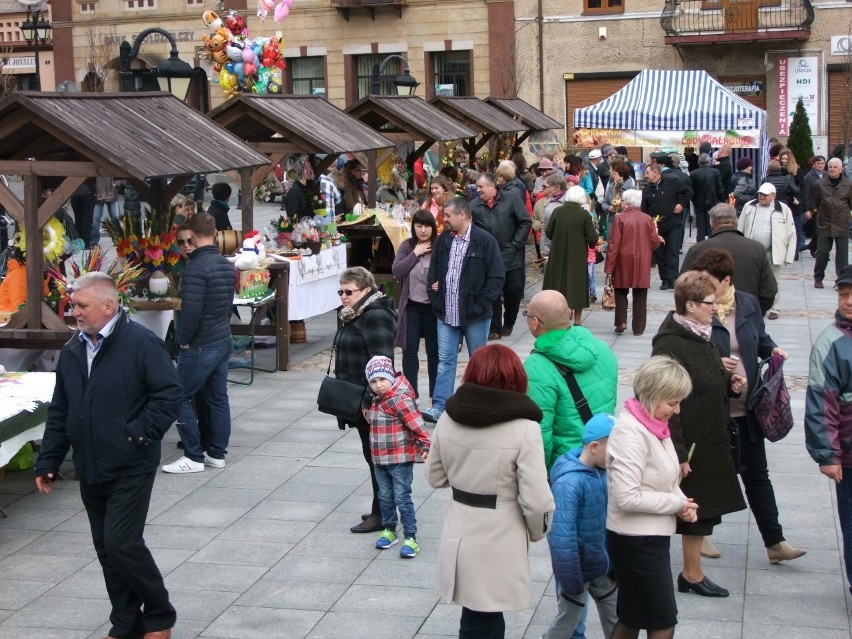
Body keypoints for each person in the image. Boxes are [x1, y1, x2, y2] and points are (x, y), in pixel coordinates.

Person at [34, 272, 181, 639]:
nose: (75, 312)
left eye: (81, 306)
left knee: (122, 543)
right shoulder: (73, 349)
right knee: (106, 550)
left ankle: (159, 616)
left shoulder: (141, 344)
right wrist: (49, 460)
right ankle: (126, 622)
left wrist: (136, 435)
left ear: (108, 306)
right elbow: (60, 409)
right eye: (72, 305)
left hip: (131, 463)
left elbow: (169, 396)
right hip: (90, 465)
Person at [425, 344, 555, 639]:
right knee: (486, 618)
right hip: (500, 532)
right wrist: (538, 531)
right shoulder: (525, 428)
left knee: (476, 617)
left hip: (459, 528)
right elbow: (536, 498)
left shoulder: (448, 418)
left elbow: (434, 476)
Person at [690, 248, 805, 564]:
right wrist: (718, 367)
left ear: (726, 281)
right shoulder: (700, 309)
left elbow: (760, 338)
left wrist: (773, 350)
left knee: (757, 475)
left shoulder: (749, 303)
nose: (703, 286)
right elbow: (689, 354)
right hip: (714, 411)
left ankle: (775, 542)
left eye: (709, 281)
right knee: (710, 474)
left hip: (748, 408)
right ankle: (698, 538)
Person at [651, 271, 747, 598]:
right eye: (709, 303)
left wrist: (729, 384)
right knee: (681, 509)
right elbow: (663, 399)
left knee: (701, 511)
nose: (716, 308)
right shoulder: (670, 343)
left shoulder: (700, 333)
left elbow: (704, 381)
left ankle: (691, 573)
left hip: (707, 437)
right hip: (688, 442)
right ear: (690, 305)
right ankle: (677, 574)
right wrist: (678, 454)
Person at [606, 355, 698, 639]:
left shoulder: (654, 425)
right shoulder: (631, 432)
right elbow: (627, 497)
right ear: (652, 395)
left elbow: (665, 475)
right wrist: (675, 503)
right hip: (635, 541)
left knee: (632, 617)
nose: (677, 409)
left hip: (647, 538)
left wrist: (682, 503)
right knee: (662, 620)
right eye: (672, 402)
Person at [162, 212, 235, 474]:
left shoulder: (194, 269)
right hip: (222, 337)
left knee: (177, 395)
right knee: (219, 398)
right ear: (215, 232)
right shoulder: (226, 264)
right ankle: (216, 452)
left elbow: (191, 313)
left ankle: (193, 455)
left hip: (201, 343)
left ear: (190, 234)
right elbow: (228, 305)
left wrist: (182, 342)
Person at [422, 197, 505, 423]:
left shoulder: (485, 240)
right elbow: (434, 271)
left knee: (478, 361)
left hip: (475, 315)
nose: (444, 219)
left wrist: (481, 303)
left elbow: (497, 277)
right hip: (446, 313)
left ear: (462, 214)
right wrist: (435, 295)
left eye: (447, 215)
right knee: (445, 360)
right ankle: (440, 406)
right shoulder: (444, 240)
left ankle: (476, 404)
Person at [331, 266, 397, 533]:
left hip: (369, 401)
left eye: (349, 292)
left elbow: (382, 363)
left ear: (366, 291)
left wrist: (370, 401)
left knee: (376, 458)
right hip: (357, 397)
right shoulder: (356, 314)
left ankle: (382, 514)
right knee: (373, 457)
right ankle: (381, 508)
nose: (344, 297)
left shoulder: (374, 316)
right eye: (341, 291)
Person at [524, 289, 617, 472]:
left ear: (535, 323)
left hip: (566, 467)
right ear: (569, 314)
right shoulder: (602, 350)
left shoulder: (536, 366)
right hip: (601, 459)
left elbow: (540, 434)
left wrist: (540, 476)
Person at [543, 414, 618, 639]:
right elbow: (561, 536)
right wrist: (570, 577)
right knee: (568, 620)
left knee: (617, 615)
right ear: (594, 447)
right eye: (614, 451)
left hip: (599, 564)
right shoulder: (570, 482)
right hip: (576, 570)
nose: (618, 457)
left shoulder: (601, 472)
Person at [806, 265, 852, 595]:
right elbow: (822, 405)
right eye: (844, 294)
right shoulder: (831, 342)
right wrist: (827, 454)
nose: (848, 301)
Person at [364, 356, 430, 558]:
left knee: (402, 497)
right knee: (384, 496)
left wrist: (426, 444)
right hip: (380, 460)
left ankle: (410, 537)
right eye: (373, 382)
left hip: (399, 460)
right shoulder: (377, 400)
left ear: (391, 378)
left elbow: (417, 424)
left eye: (382, 380)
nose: (379, 385)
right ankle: (390, 529)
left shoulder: (400, 399)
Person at [681, 203, 778, 317]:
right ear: (736, 222)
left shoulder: (697, 249)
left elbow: (683, 288)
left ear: (712, 223)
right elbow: (769, 291)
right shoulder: (757, 249)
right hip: (747, 315)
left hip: (707, 317)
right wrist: (755, 312)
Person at [470, 172, 530, 340]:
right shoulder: (474, 206)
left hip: (511, 255)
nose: (478, 190)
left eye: (481, 187)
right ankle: (494, 328)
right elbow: (470, 230)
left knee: (514, 290)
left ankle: (509, 322)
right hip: (488, 258)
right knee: (492, 294)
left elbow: (525, 221)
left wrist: (517, 244)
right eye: (477, 187)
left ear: (492, 186)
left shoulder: (511, 199)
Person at [392, 209, 439, 399]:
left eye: (427, 225)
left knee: (434, 352)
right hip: (411, 307)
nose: (423, 230)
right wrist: (415, 253)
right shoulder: (407, 246)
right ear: (413, 227)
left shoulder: (439, 246)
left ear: (433, 228)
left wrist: (441, 282)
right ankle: (411, 394)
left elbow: (449, 270)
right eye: (418, 226)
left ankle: (437, 396)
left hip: (433, 309)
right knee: (409, 350)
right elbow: (397, 271)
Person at [604, 189, 662, 336]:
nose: (622, 202)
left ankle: (621, 321)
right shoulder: (647, 219)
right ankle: (638, 328)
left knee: (621, 291)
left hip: (623, 258)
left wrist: (609, 267)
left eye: (623, 200)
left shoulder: (620, 219)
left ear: (627, 202)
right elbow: (655, 241)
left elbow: (613, 244)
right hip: (642, 259)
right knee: (640, 293)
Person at [737, 183, 796, 319]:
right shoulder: (750, 206)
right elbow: (740, 228)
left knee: (774, 281)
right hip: (751, 252)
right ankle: (751, 307)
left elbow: (791, 234)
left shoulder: (783, 209)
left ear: (773, 196)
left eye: (765, 194)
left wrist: (789, 255)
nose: (761, 197)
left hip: (772, 252)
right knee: (750, 280)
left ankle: (775, 308)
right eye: (760, 194)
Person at [543, 185, 598, 325]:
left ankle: (558, 318)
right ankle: (578, 321)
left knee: (557, 284)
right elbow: (592, 238)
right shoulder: (584, 215)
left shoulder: (557, 211)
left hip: (557, 255)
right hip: (577, 256)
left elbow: (548, 232)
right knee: (577, 286)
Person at [642, 163, 690, 290]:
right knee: (660, 253)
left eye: (647, 173)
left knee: (672, 252)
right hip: (657, 227)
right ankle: (665, 279)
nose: (645, 176)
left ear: (656, 173)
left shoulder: (671, 181)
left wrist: (681, 204)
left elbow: (688, 192)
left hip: (673, 223)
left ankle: (673, 279)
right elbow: (644, 210)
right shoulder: (646, 190)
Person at [809, 158, 852, 288]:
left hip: (841, 224)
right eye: (830, 167)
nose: (832, 169)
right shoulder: (819, 184)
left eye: (835, 167)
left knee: (842, 256)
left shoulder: (849, 184)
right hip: (824, 224)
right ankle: (818, 277)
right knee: (822, 252)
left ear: (841, 169)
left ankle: (842, 280)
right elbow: (814, 202)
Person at [690, 153, 726, 242]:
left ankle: (700, 247)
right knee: (712, 226)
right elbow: (720, 188)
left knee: (700, 228)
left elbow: (691, 190)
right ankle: (712, 246)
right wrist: (722, 200)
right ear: (708, 162)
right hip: (713, 203)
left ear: (699, 162)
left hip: (699, 204)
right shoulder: (715, 172)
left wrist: (694, 201)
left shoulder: (694, 173)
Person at [601, 161, 635, 241]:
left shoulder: (631, 188)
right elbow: (604, 202)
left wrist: (622, 212)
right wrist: (609, 208)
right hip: (612, 221)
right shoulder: (612, 186)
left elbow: (634, 207)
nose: (612, 175)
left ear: (621, 175)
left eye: (615, 174)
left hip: (625, 223)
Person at [91, 176, 120, 245]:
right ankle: (94, 239)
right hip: (98, 192)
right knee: (95, 218)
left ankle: (117, 238)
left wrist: (116, 184)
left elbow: (120, 171)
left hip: (112, 191)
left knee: (115, 217)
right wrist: (94, 186)